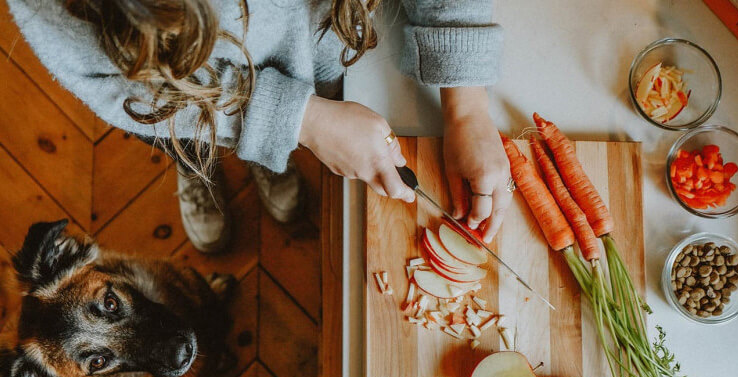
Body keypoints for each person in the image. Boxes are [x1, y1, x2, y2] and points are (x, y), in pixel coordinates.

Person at [8, 0, 512, 253]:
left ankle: (270, 155)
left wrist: (465, 105)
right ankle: (200, 164)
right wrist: (298, 118)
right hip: (186, 105)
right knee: (193, 141)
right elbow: (126, 86)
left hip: (326, 45)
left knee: (291, 128)